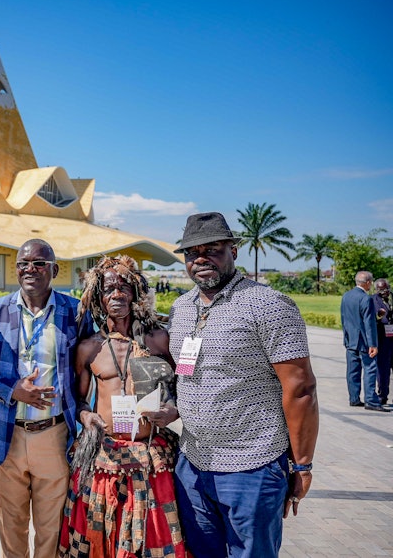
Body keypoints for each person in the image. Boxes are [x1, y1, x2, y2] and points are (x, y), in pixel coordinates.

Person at [167, 212, 319, 558]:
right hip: (192, 464)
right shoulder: (180, 308)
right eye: (192, 252)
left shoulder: (268, 305)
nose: (201, 258)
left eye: (213, 249)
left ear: (234, 250)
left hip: (251, 466)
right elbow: (186, 377)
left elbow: (301, 390)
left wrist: (302, 464)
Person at [59, 255, 189, 558]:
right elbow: (78, 399)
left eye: (123, 287)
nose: (116, 294)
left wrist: (175, 410)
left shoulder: (158, 340)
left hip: (150, 454)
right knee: (100, 533)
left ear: (136, 293)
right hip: (104, 455)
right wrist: (86, 415)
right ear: (97, 298)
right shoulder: (89, 347)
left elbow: (187, 387)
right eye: (107, 289)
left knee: (151, 537)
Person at [0, 239, 94, 558]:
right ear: (16, 269)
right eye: (24, 263)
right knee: (11, 526)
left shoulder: (75, 312)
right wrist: (11, 389)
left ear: (54, 270)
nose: (31, 269)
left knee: (51, 528)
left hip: (54, 436)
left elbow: (95, 363)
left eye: (40, 263)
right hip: (6, 434)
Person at [341, 271, 385, 411]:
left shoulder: (346, 296)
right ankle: (371, 400)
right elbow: (369, 324)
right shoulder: (366, 299)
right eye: (371, 282)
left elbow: (344, 319)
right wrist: (373, 344)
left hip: (350, 340)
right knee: (370, 369)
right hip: (364, 342)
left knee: (352, 371)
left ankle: (354, 398)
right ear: (367, 283)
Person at [373, 278, 392, 406]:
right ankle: (382, 395)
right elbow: (372, 317)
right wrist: (379, 315)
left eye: (385, 289)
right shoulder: (373, 299)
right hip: (383, 338)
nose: (384, 292)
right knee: (383, 369)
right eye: (381, 290)